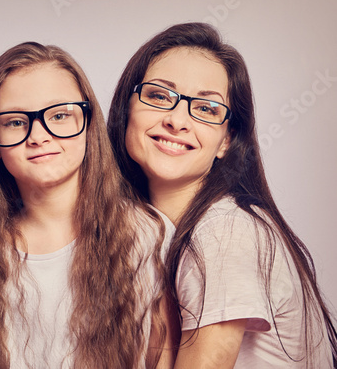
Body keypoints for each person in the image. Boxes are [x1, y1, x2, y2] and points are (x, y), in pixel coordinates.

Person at [107, 22, 337, 368]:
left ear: (226, 141)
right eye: (158, 95)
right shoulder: (153, 233)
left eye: (206, 108)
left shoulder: (224, 233)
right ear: (128, 111)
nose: (177, 120)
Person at [0, 42, 175, 369]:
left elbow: (163, 358)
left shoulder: (147, 234)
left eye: (60, 115)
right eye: (16, 122)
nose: (38, 135)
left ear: (89, 124)